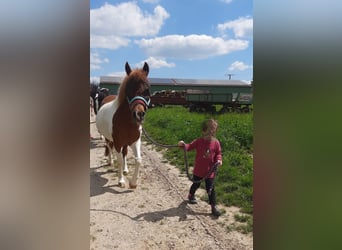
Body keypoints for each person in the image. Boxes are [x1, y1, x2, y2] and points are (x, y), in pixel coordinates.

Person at [178, 119, 223, 217]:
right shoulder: (199, 142)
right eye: (209, 131)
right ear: (203, 131)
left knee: (210, 189)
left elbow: (218, 153)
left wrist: (219, 160)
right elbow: (189, 147)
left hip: (210, 171)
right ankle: (191, 194)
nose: (211, 133)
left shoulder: (216, 143)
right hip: (199, 170)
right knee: (196, 184)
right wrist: (183, 145)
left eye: (213, 131)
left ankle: (213, 206)